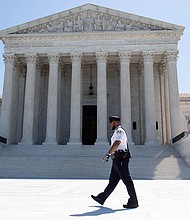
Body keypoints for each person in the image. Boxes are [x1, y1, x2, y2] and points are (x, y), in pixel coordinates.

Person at [91, 115, 138, 208]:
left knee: (127, 180)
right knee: (113, 181)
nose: (110, 125)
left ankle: (133, 200)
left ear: (115, 122)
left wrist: (108, 154)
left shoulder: (119, 131)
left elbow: (117, 143)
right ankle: (102, 197)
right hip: (117, 159)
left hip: (121, 159)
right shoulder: (116, 132)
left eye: (110, 123)